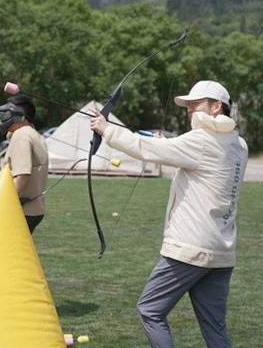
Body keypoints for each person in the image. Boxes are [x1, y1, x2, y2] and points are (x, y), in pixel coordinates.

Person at [89, 80, 248, 348]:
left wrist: (106, 129)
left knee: (150, 310)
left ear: (216, 107)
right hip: (222, 251)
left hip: (190, 248)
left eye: (195, 104)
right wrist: (170, 144)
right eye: (188, 105)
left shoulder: (201, 140)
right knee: (215, 327)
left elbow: (147, 149)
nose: (189, 110)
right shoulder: (240, 145)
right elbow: (203, 161)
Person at [0, 95, 49, 234]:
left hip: (21, 211)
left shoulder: (21, 136)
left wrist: (3, 204)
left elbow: (22, 175)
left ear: (21, 117)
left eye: (7, 114)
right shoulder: (32, 134)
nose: (3, 118)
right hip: (34, 209)